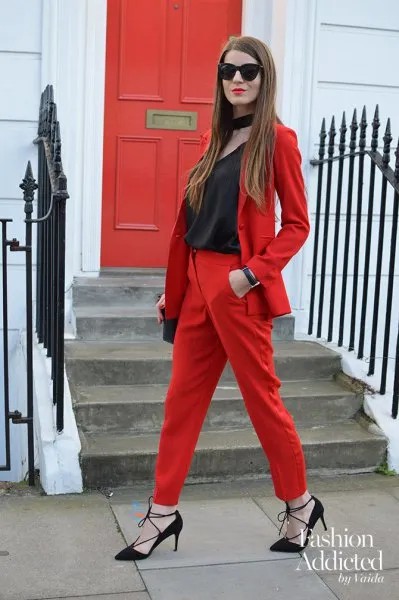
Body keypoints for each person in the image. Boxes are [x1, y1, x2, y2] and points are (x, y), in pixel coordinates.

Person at [115, 35, 327, 562]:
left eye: (248, 71)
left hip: (237, 288)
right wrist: (177, 288)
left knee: (262, 401)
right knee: (179, 404)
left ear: (264, 77)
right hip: (196, 285)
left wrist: (251, 275)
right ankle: (162, 512)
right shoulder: (215, 138)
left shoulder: (278, 140)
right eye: (228, 70)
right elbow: (195, 223)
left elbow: (297, 225)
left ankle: (300, 503)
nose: (237, 79)